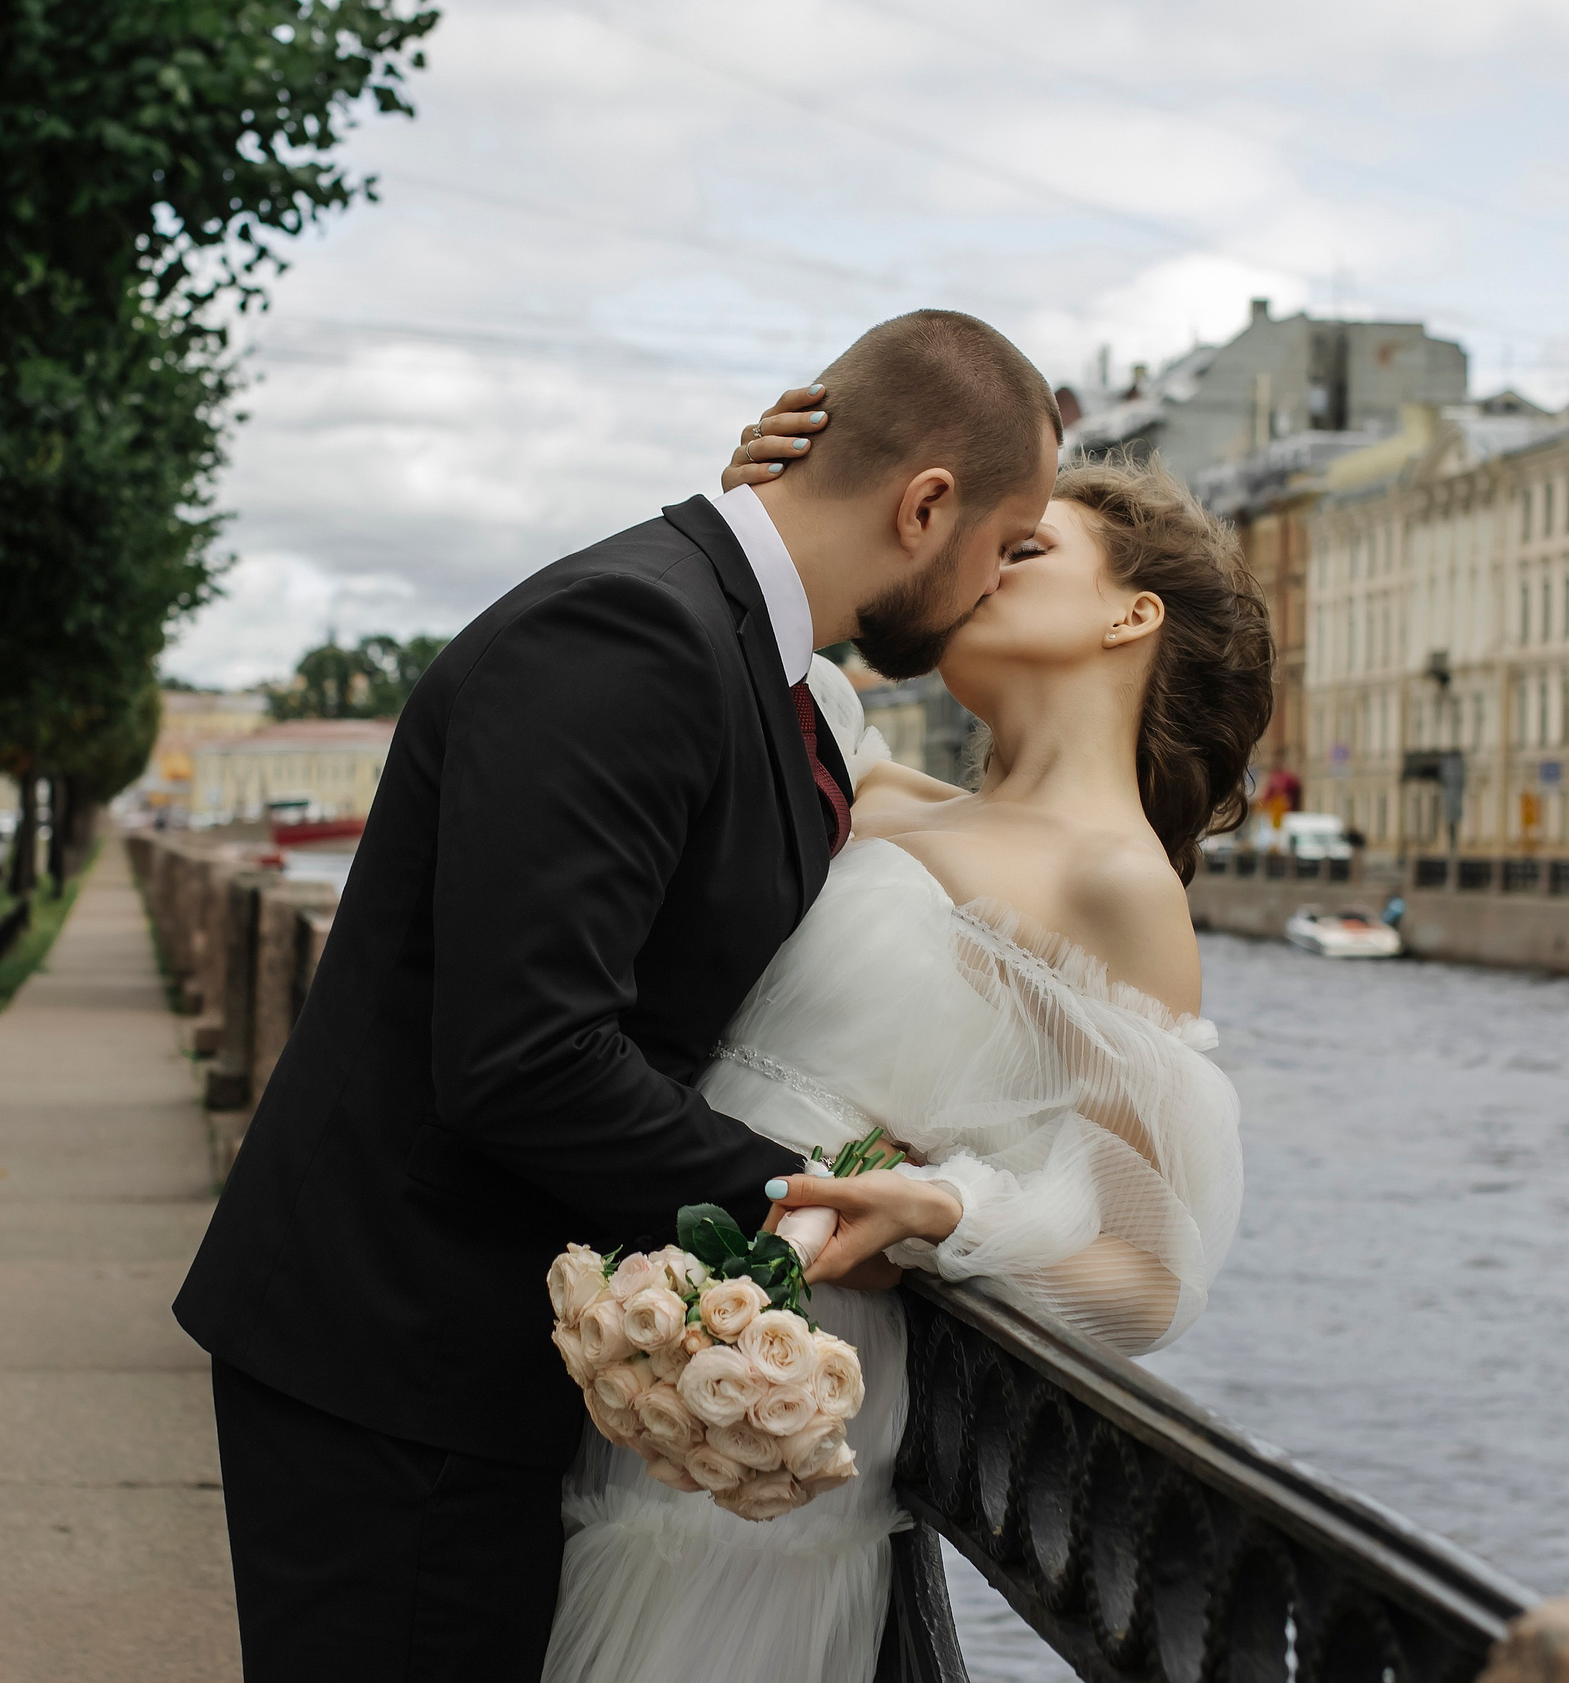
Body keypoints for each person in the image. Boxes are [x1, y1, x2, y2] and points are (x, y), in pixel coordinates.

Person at [171, 309, 1063, 1681]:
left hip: (463, 1360)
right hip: (394, 1368)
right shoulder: (634, 630)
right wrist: (813, 1203)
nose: (998, 587)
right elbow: (525, 1053)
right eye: (1005, 547)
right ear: (925, 504)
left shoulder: (736, 647)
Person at [540, 414, 1267, 1683]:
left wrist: (945, 1210)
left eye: (1023, 548)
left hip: (794, 1380)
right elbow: (759, 655)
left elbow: (1149, 1275)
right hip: (671, 1326)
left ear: (1128, 619)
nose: (972, 570)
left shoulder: (1117, 890)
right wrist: (786, 508)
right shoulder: (886, 789)